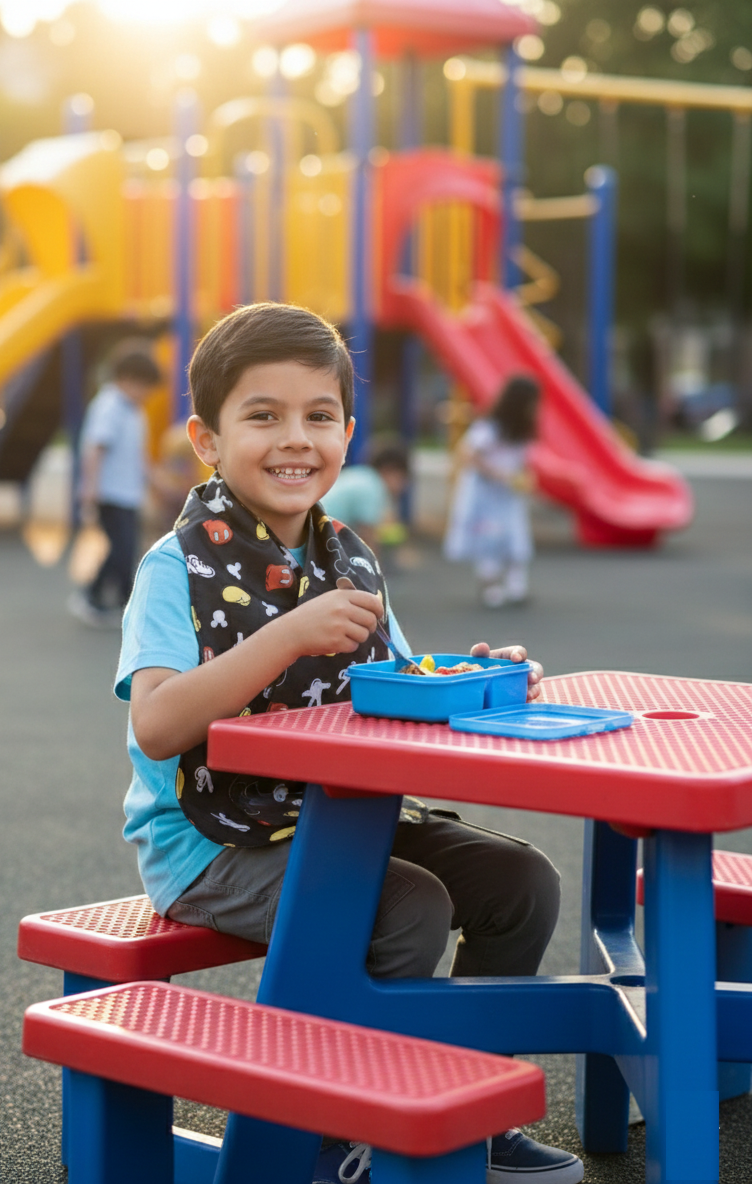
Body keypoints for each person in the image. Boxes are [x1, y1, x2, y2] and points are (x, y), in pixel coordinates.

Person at [114, 304, 582, 1184]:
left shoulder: (349, 556)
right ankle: (336, 1134)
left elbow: (396, 682)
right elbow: (158, 721)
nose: (296, 439)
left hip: (337, 818)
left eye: (318, 416)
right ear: (207, 440)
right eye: (263, 415)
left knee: (522, 882)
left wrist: (477, 673)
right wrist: (286, 635)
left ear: (348, 432)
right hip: (208, 842)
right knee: (405, 908)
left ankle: (465, 1103)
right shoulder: (175, 567)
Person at [68, 342, 163, 627]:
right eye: (145, 388)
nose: (147, 395)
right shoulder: (109, 405)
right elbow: (95, 449)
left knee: (125, 549)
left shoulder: (134, 410)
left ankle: (111, 599)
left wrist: (157, 483)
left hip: (128, 494)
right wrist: (90, 489)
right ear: (128, 380)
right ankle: (104, 598)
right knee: (122, 549)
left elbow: (138, 456)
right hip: (109, 493)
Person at [444, 376, 540, 609]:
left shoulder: (522, 430)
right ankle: (490, 586)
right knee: (490, 539)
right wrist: (498, 474)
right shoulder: (490, 427)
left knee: (516, 536)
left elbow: (520, 460)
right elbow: (468, 453)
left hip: (508, 495)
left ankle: (516, 585)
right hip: (486, 494)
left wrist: (523, 477)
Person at [321, 437, 410, 556]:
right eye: (402, 478)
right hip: (321, 531)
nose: (404, 485)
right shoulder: (373, 487)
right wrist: (376, 571)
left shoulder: (364, 476)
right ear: (390, 470)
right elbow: (367, 537)